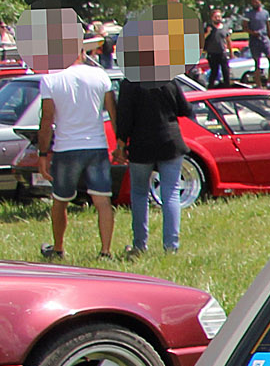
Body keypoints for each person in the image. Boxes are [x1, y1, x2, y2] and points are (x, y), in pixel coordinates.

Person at [30, 48, 118, 259]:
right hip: (96, 146)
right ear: (81, 52)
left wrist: (43, 153)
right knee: (103, 201)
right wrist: (121, 145)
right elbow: (113, 113)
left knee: (60, 201)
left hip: (66, 147)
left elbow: (47, 120)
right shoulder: (100, 75)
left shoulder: (51, 79)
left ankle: (58, 248)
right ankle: (105, 251)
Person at [115, 58, 195, 254]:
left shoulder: (129, 83)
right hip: (170, 141)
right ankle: (171, 246)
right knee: (171, 193)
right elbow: (185, 109)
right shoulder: (168, 79)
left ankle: (139, 244)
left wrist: (121, 144)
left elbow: (124, 118)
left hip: (141, 145)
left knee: (140, 193)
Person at [244, 0, 270, 84]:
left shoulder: (265, 13)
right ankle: (258, 84)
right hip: (254, 39)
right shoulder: (249, 14)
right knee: (257, 62)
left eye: (256, 1)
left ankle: (269, 82)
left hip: (265, 38)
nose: (254, 3)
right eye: (253, 1)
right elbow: (244, 27)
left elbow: (268, 27)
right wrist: (253, 32)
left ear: (260, 2)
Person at [201, 9, 229, 88]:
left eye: (219, 16)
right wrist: (208, 33)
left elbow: (228, 39)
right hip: (212, 53)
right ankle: (211, 87)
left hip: (222, 52)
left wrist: (230, 52)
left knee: (226, 71)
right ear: (212, 18)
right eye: (215, 17)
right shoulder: (209, 27)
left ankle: (227, 87)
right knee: (214, 72)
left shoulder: (224, 27)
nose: (217, 18)